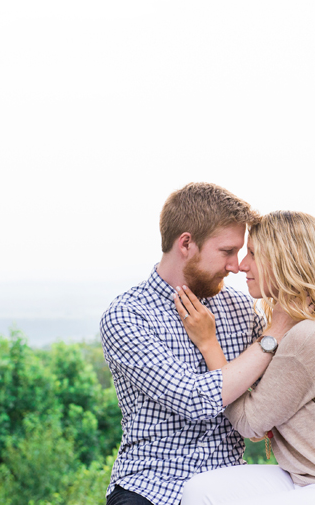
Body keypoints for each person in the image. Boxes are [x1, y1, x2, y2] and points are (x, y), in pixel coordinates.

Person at [100, 183, 303, 505]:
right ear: (186, 244)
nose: (236, 265)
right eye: (226, 251)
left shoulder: (239, 309)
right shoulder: (127, 316)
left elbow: (274, 402)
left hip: (228, 486)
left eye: (240, 252)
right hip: (151, 489)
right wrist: (274, 334)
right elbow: (194, 400)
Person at [176, 211, 315, 505]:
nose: (242, 265)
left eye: (253, 254)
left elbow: (248, 422)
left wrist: (208, 343)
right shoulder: (299, 325)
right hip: (309, 476)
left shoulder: (308, 335)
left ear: (284, 261)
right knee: (198, 491)